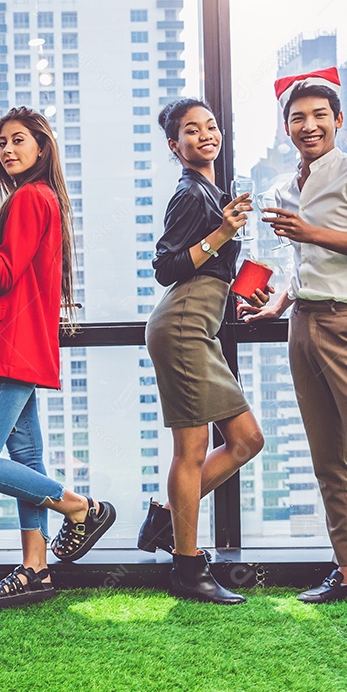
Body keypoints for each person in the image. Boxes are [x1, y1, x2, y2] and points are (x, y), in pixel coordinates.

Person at [240, 67, 347, 640]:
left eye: (319, 115)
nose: (308, 125)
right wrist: (278, 302)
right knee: (326, 458)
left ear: (338, 120)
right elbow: (299, 265)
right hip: (304, 324)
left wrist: (311, 232)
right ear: (286, 127)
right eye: (297, 117)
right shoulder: (285, 187)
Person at [0, 106, 115, 610]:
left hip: (8, 350)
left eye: (18, 140)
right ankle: (36, 569)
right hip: (12, 347)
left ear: (41, 147)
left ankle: (80, 507)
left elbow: (0, 274)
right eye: (1, 142)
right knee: (27, 459)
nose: (8, 150)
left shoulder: (31, 198)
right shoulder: (32, 198)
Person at [138, 98, 269, 604]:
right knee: (191, 452)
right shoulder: (190, 193)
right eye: (191, 130)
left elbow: (206, 268)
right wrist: (223, 233)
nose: (205, 135)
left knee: (247, 440)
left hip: (201, 322)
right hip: (183, 326)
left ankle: (166, 521)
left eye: (210, 126)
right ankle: (187, 568)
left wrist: (239, 289)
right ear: (175, 145)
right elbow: (166, 267)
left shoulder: (214, 192)